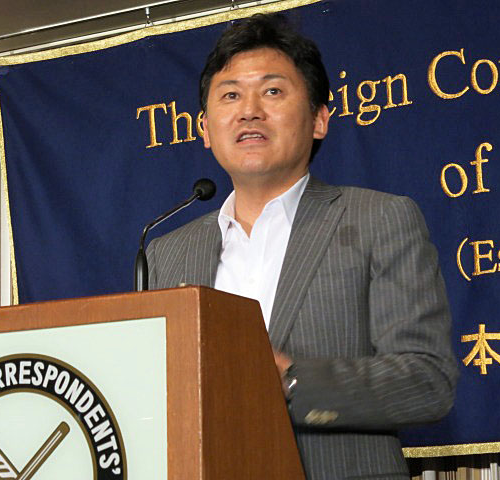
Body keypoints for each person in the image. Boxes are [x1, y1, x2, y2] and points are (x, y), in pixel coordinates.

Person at [146, 13, 457, 480]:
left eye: (272, 91)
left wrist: (291, 382)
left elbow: (428, 381)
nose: (249, 111)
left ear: (318, 119)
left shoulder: (378, 219)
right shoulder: (166, 253)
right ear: (205, 129)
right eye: (230, 95)